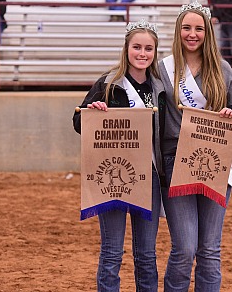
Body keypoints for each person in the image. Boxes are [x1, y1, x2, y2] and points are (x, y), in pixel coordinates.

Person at [158, 1, 232, 292]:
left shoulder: (221, 68)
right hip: (175, 161)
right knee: (184, 248)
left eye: (198, 28)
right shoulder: (163, 68)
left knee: (209, 250)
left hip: (215, 160)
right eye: (186, 28)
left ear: (207, 32)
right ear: (178, 31)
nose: (192, 34)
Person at [72, 19, 164, 292]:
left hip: (149, 177)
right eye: (137, 47)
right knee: (112, 252)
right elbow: (78, 123)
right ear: (126, 49)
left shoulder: (160, 88)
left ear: (155, 52)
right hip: (112, 175)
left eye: (148, 48)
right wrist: (93, 110)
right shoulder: (108, 83)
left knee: (146, 255)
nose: (142, 53)